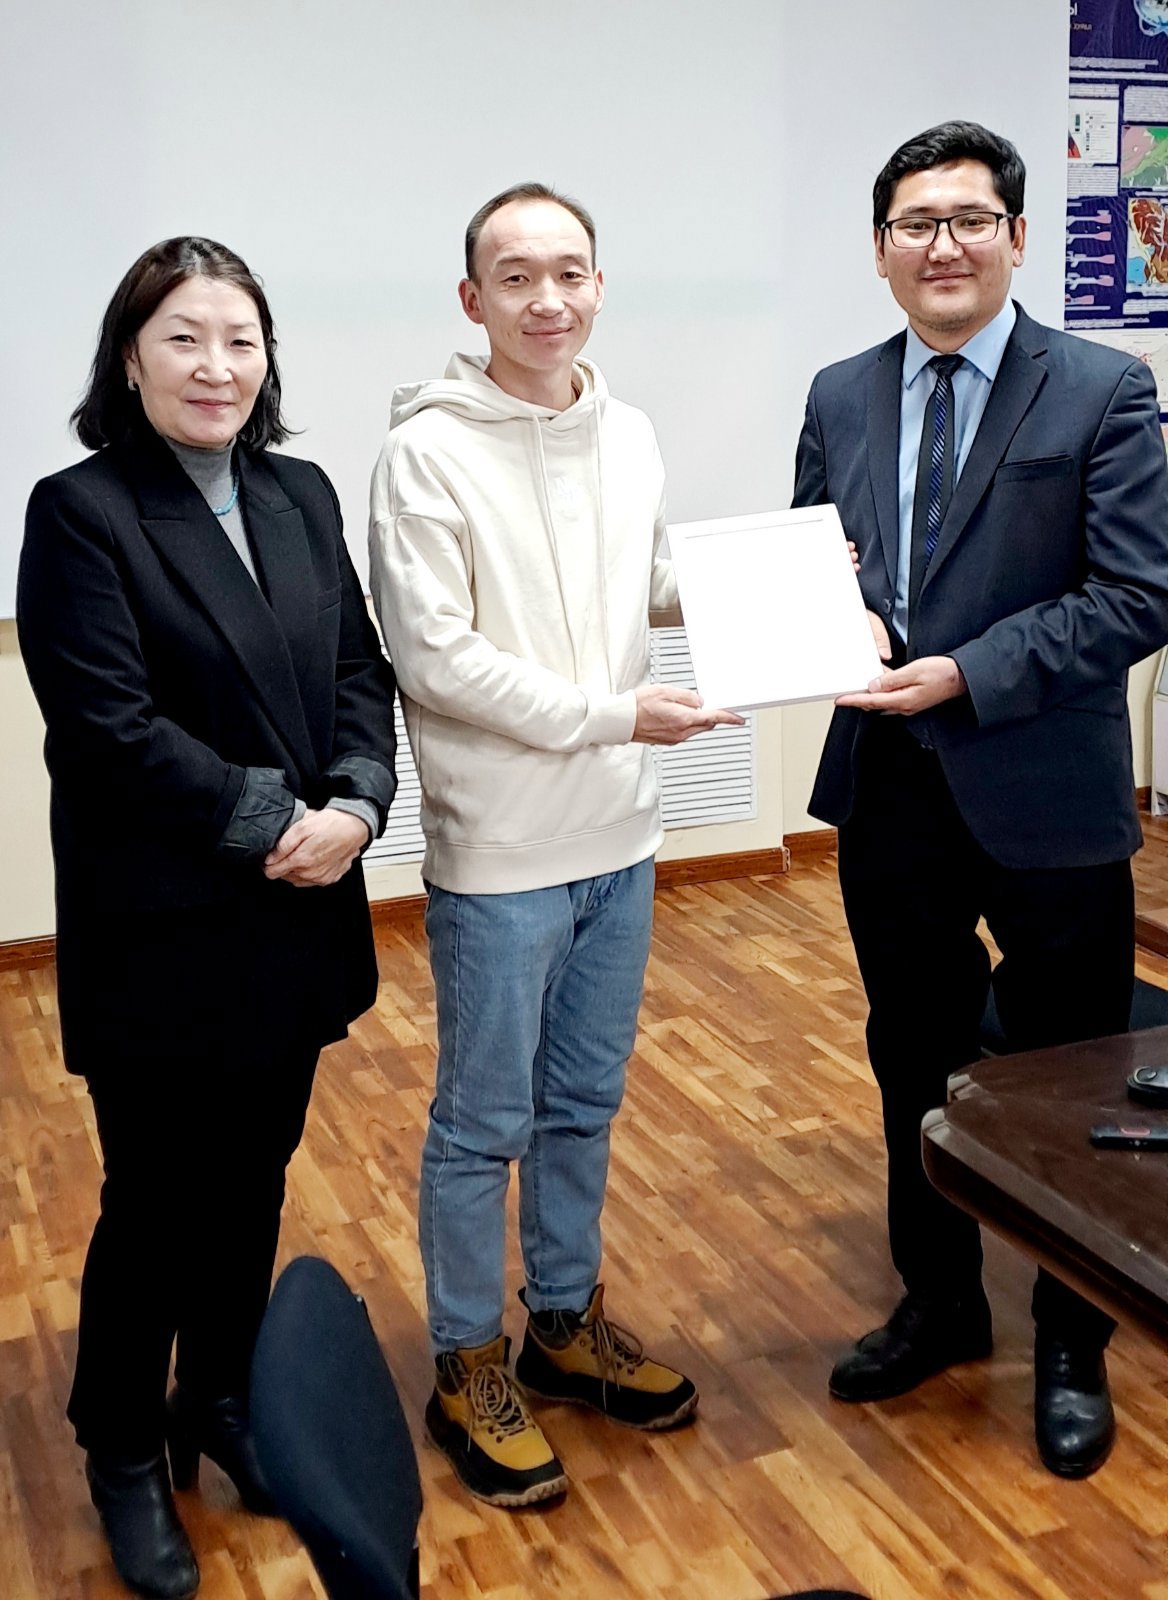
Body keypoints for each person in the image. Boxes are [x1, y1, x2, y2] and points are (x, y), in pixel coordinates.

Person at [17, 237, 397, 1599]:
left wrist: (359, 804)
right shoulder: (81, 512)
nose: (216, 366)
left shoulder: (299, 492)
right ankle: (122, 1444)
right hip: (165, 927)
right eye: (184, 337)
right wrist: (277, 822)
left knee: (253, 1182)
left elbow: (358, 671)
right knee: (157, 1204)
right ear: (131, 357)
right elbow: (107, 729)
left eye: (241, 339)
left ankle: (220, 1401)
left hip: (295, 915)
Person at [792, 121, 1168, 1478]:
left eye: (967, 220)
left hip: (1047, 791)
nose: (941, 245)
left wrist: (966, 672)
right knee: (914, 1053)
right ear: (880, 249)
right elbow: (814, 563)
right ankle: (942, 1299)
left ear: (1014, 235)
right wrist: (820, 616)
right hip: (891, 790)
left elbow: (1138, 594)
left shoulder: (1103, 389)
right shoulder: (840, 392)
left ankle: (1073, 1335)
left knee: (1071, 1075)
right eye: (915, 224)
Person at [369, 182, 742, 1509]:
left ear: (598, 286)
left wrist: (782, 586)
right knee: (484, 1124)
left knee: (584, 1104)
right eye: (517, 277)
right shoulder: (425, 452)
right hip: (502, 856)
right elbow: (438, 659)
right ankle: (467, 1358)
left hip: (621, 839)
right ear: (473, 299)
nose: (548, 300)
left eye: (570, 272)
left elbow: (647, 583)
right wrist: (614, 715)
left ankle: (564, 1324)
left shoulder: (624, 431)